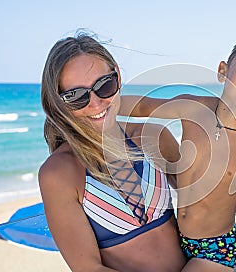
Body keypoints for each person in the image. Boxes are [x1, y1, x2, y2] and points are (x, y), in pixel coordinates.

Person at [120, 22, 236, 271]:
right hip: (174, 229)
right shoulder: (193, 107)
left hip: (215, 249)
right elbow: (140, 107)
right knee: (144, 131)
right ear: (222, 71)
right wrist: (96, 106)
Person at [38, 32, 187, 271]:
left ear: (117, 74)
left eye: (104, 85)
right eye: (76, 96)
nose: (95, 103)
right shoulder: (60, 173)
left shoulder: (154, 137)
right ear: (59, 102)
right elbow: (89, 268)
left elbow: (204, 205)